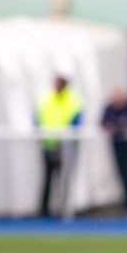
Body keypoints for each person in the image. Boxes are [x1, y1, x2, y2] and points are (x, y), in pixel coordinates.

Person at [36, 72, 83, 218]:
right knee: (47, 179)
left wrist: (61, 143)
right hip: (48, 145)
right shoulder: (46, 100)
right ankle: (44, 212)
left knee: (65, 179)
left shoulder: (73, 101)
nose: (55, 86)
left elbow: (76, 123)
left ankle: (64, 211)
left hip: (66, 147)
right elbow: (38, 119)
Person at [101, 87, 127, 215]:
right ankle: (126, 205)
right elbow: (104, 122)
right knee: (121, 175)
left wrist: (115, 125)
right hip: (116, 146)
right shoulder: (110, 108)